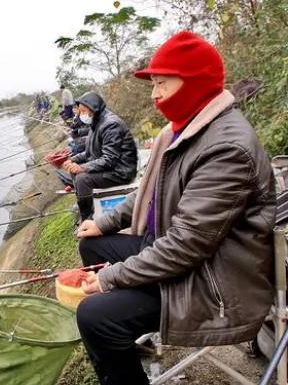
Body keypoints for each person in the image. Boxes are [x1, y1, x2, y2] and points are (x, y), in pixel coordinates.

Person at [75, 31, 275, 385]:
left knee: (95, 316)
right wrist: (106, 223)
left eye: (162, 83)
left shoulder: (227, 148)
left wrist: (111, 277)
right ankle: (125, 337)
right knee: (91, 243)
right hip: (176, 251)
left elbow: (186, 246)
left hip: (210, 279)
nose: (155, 95)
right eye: (153, 84)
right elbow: (150, 194)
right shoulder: (181, 131)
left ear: (196, 83)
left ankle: (118, 333)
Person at [58, 92, 137, 221]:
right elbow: (90, 151)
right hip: (109, 167)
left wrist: (83, 168)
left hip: (120, 171)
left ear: (93, 108)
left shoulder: (111, 125)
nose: (80, 115)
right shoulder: (96, 123)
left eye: (83, 111)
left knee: (82, 178)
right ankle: (86, 202)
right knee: (74, 171)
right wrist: (72, 160)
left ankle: (88, 218)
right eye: (80, 112)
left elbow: (110, 159)